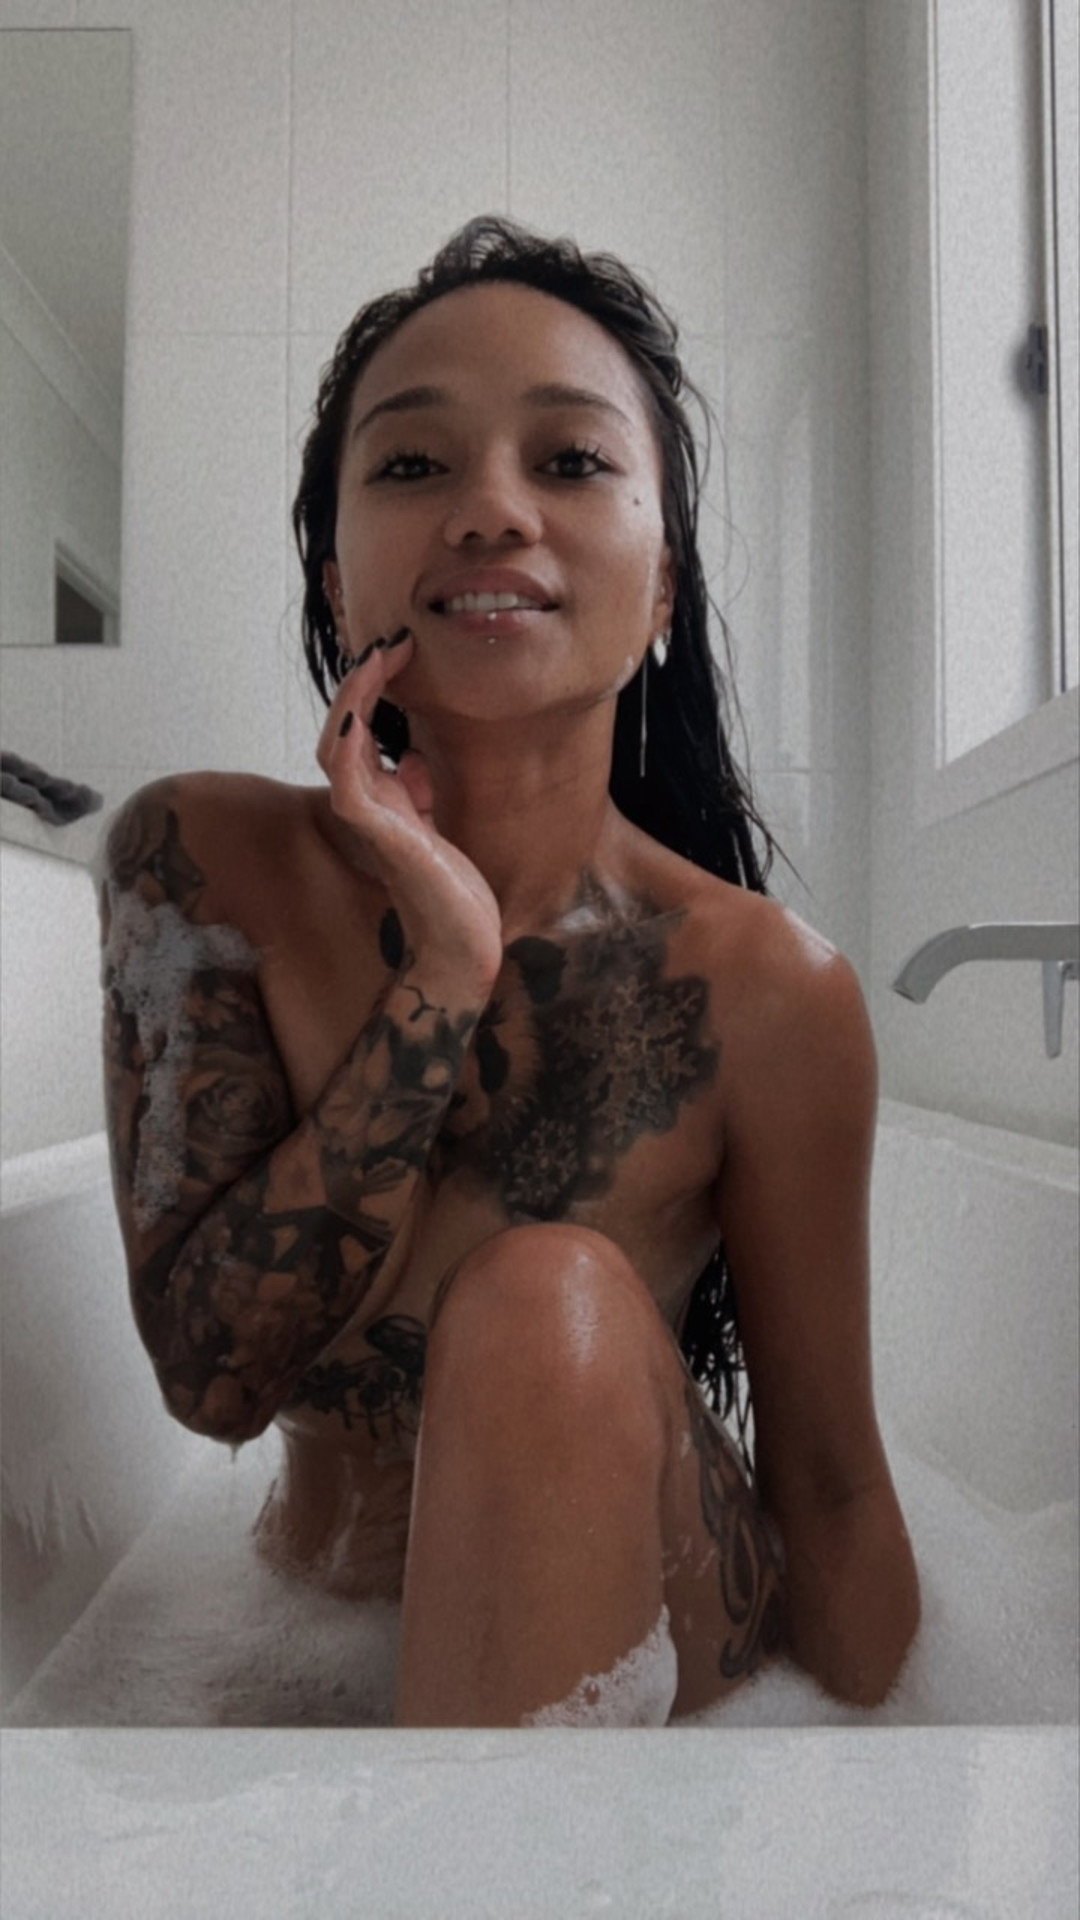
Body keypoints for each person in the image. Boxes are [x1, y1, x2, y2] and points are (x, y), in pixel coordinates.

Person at [98, 214, 919, 1727]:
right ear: (338, 581)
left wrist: (905, 1790)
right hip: (318, 1627)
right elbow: (213, 1384)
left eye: (571, 460)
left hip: (658, 1629)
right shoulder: (204, 864)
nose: (490, 510)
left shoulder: (765, 989)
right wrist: (447, 967)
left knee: (546, 1303)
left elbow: (832, 1490)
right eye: (414, 464)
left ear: (661, 589)